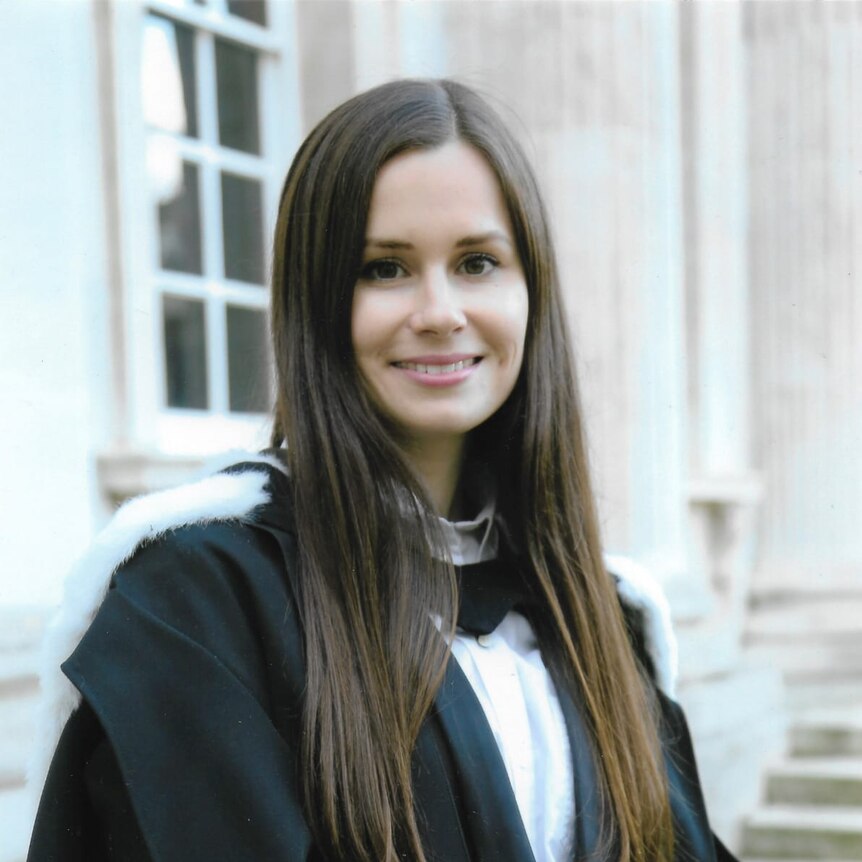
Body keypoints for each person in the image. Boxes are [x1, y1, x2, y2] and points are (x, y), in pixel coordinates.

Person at [27, 79, 737, 862]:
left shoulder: (599, 613)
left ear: (530, 290)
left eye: (476, 262)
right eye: (384, 269)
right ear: (317, 299)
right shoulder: (200, 602)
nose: (438, 311)